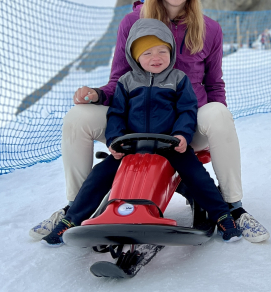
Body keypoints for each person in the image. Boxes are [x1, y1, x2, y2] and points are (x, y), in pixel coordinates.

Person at [30, 0, 269, 243]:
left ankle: (233, 208)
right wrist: (96, 95)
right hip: (135, 124)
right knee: (78, 117)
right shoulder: (133, 22)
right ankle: (76, 206)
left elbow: (213, 86)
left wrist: (213, 128)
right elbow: (119, 80)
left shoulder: (209, 29)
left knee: (219, 113)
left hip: (185, 126)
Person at [43, 19, 241, 244]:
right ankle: (70, 220)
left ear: (171, 51)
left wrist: (181, 136)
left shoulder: (178, 80)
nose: (155, 58)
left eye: (161, 51)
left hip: (170, 146)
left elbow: (187, 110)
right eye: (147, 53)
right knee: (98, 176)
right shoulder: (126, 82)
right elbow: (116, 114)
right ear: (135, 57)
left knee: (197, 176)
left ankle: (223, 216)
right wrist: (115, 140)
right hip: (131, 147)